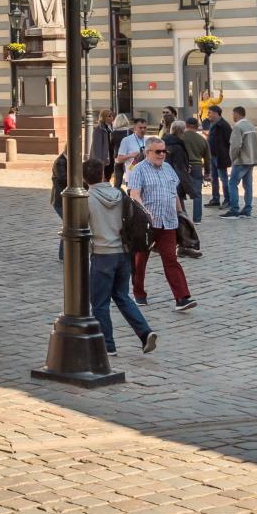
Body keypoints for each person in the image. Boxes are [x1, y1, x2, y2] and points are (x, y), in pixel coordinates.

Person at [84, 159, 155, 355]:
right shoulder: (118, 194)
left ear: (83, 178)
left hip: (102, 253)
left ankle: (107, 345)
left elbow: (80, 227)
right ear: (104, 175)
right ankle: (145, 332)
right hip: (123, 254)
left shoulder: (86, 198)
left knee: (99, 303)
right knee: (122, 296)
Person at [125, 136, 194, 311]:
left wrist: (182, 214)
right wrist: (145, 214)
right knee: (140, 260)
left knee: (171, 259)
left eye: (164, 151)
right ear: (148, 152)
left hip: (168, 222)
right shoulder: (139, 170)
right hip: (147, 225)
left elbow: (174, 193)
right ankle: (139, 293)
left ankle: (182, 298)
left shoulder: (168, 169)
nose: (162, 154)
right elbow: (134, 194)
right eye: (158, 151)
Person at [223, 105, 257, 218]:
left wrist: (233, 158)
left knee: (232, 184)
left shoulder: (238, 127)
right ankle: (247, 209)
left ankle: (234, 209)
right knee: (248, 185)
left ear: (236, 114)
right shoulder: (251, 126)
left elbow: (235, 145)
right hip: (252, 159)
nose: (232, 116)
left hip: (241, 160)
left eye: (233, 114)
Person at [174, 118, 209, 224]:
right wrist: (207, 172)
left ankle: (182, 215)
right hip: (197, 166)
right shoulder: (202, 139)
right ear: (197, 126)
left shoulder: (180, 137)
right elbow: (207, 157)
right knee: (197, 194)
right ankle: (197, 219)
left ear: (186, 125)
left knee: (179, 192)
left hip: (182, 166)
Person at [205, 108, 234, 214]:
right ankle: (215, 199)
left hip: (220, 156)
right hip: (212, 155)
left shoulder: (224, 125)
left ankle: (228, 200)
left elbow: (229, 141)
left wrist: (224, 153)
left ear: (216, 113)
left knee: (224, 179)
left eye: (210, 113)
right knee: (214, 178)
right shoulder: (212, 123)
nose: (208, 114)